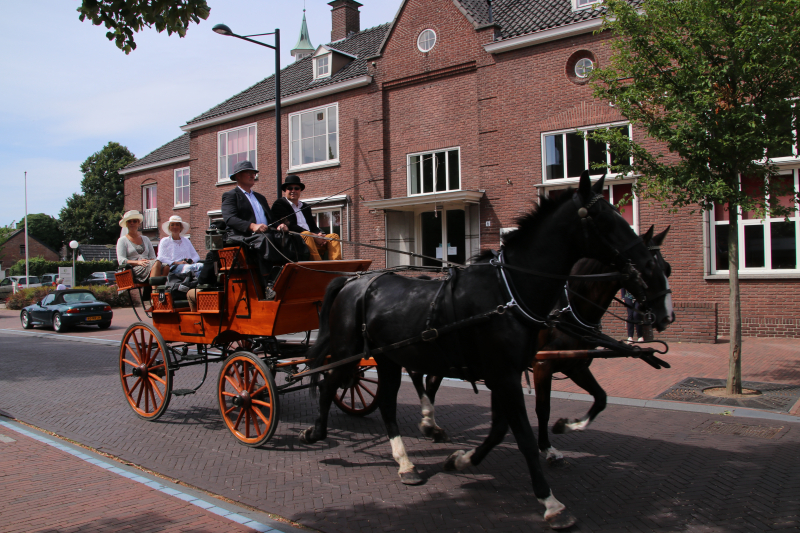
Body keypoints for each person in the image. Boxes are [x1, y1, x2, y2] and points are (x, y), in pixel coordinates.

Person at [271, 175, 342, 261]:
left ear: (300, 190)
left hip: (311, 236)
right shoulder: (279, 204)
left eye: (296, 188)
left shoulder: (305, 206)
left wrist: (319, 234)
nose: (293, 191)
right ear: (285, 191)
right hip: (295, 240)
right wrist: (313, 236)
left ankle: (336, 267)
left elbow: (313, 225)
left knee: (333, 237)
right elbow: (290, 225)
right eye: (290, 188)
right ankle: (319, 267)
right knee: (307, 235)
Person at [221, 160, 287, 237]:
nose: (253, 176)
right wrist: (252, 226)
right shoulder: (231, 195)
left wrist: (279, 225)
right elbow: (230, 219)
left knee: (291, 239)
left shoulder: (260, 197)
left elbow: (271, 218)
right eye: (249, 173)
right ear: (238, 176)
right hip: (246, 237)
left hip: (266, 235)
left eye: (254, 173)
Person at [116, 210, 162, 283]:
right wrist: (138, 262)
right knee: (156, 263)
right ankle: (154, 291)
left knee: (165, 266)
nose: (132, 223)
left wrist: (147, 261)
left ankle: (158, 290)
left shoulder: (146, 239)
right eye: (129, 221)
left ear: (138, 223)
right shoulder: (122, 240)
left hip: (148, 265)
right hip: (133, 270)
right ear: (126, 224)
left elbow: (152, 257)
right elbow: (121, 260)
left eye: (134, 221)